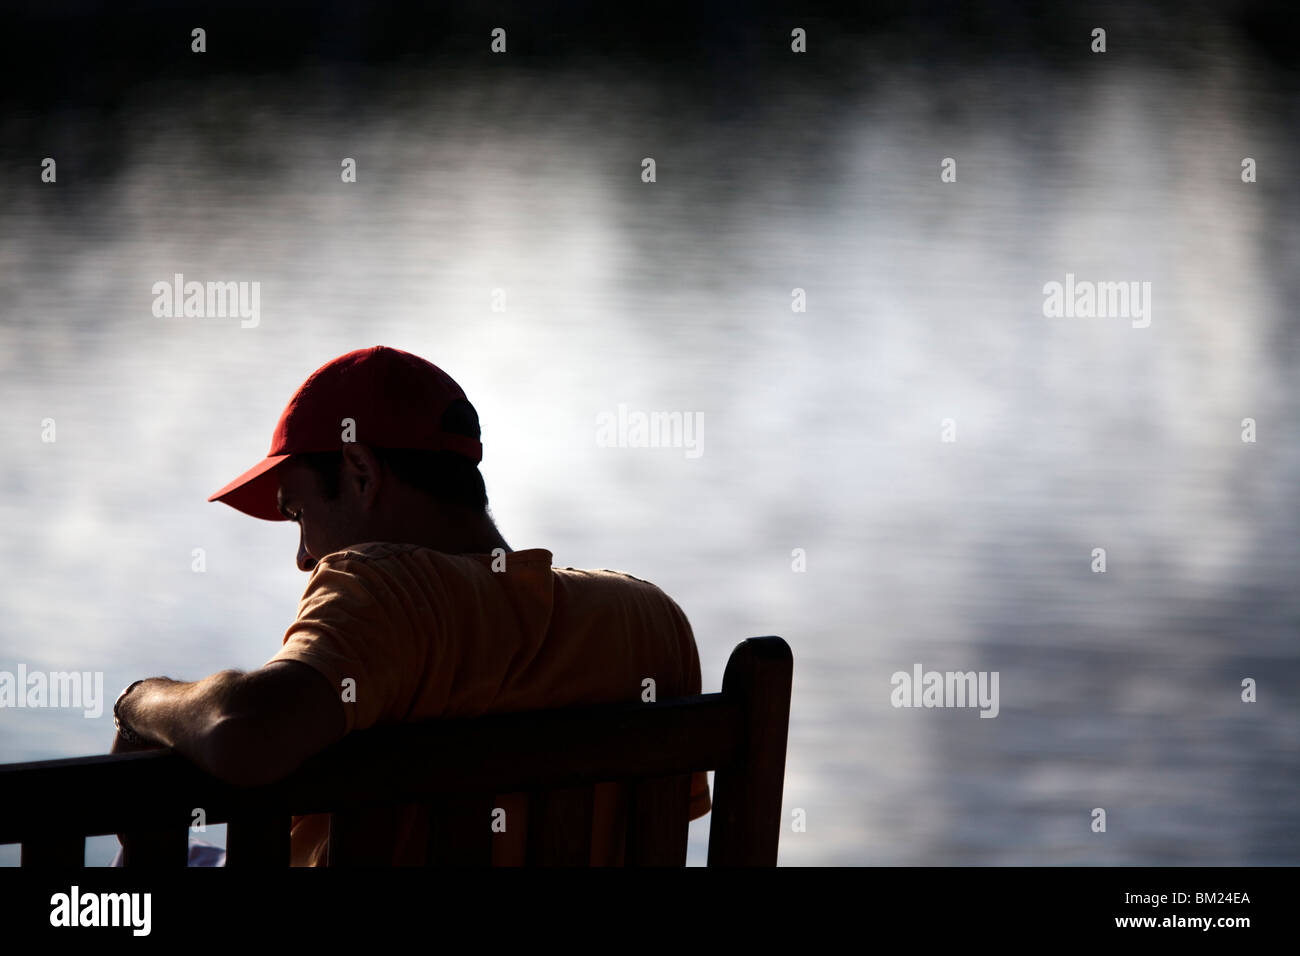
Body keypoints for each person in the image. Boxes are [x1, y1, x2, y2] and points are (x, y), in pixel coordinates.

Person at [110, 345, 710, 866]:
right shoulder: (652, 621)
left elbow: (244, 732)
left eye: (297, 513)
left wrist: (140, 700)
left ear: (362, 473)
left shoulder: (382, 592)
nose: (301, 556)